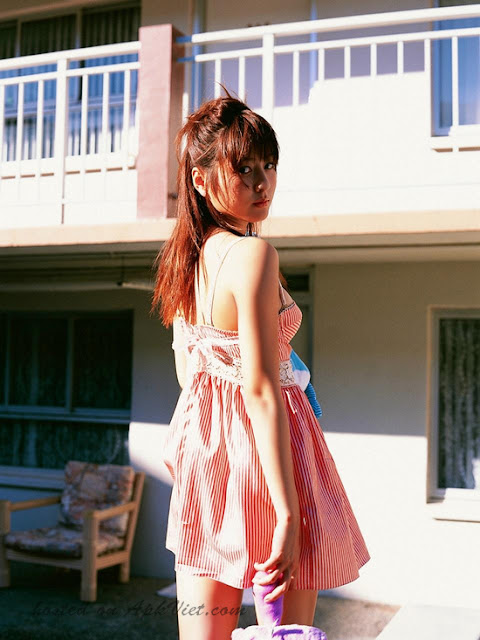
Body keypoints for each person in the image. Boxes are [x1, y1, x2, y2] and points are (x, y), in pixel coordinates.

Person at [151, 92, 370, 640]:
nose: (262, 182)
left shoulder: (187, 262)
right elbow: (262, 389)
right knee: (286, 635)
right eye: (243, 168)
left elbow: (190, 374)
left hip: (210, 460)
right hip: (276, 460)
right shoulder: (253, 254)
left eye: (269, 165)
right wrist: (288, 513)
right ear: (201, 180)